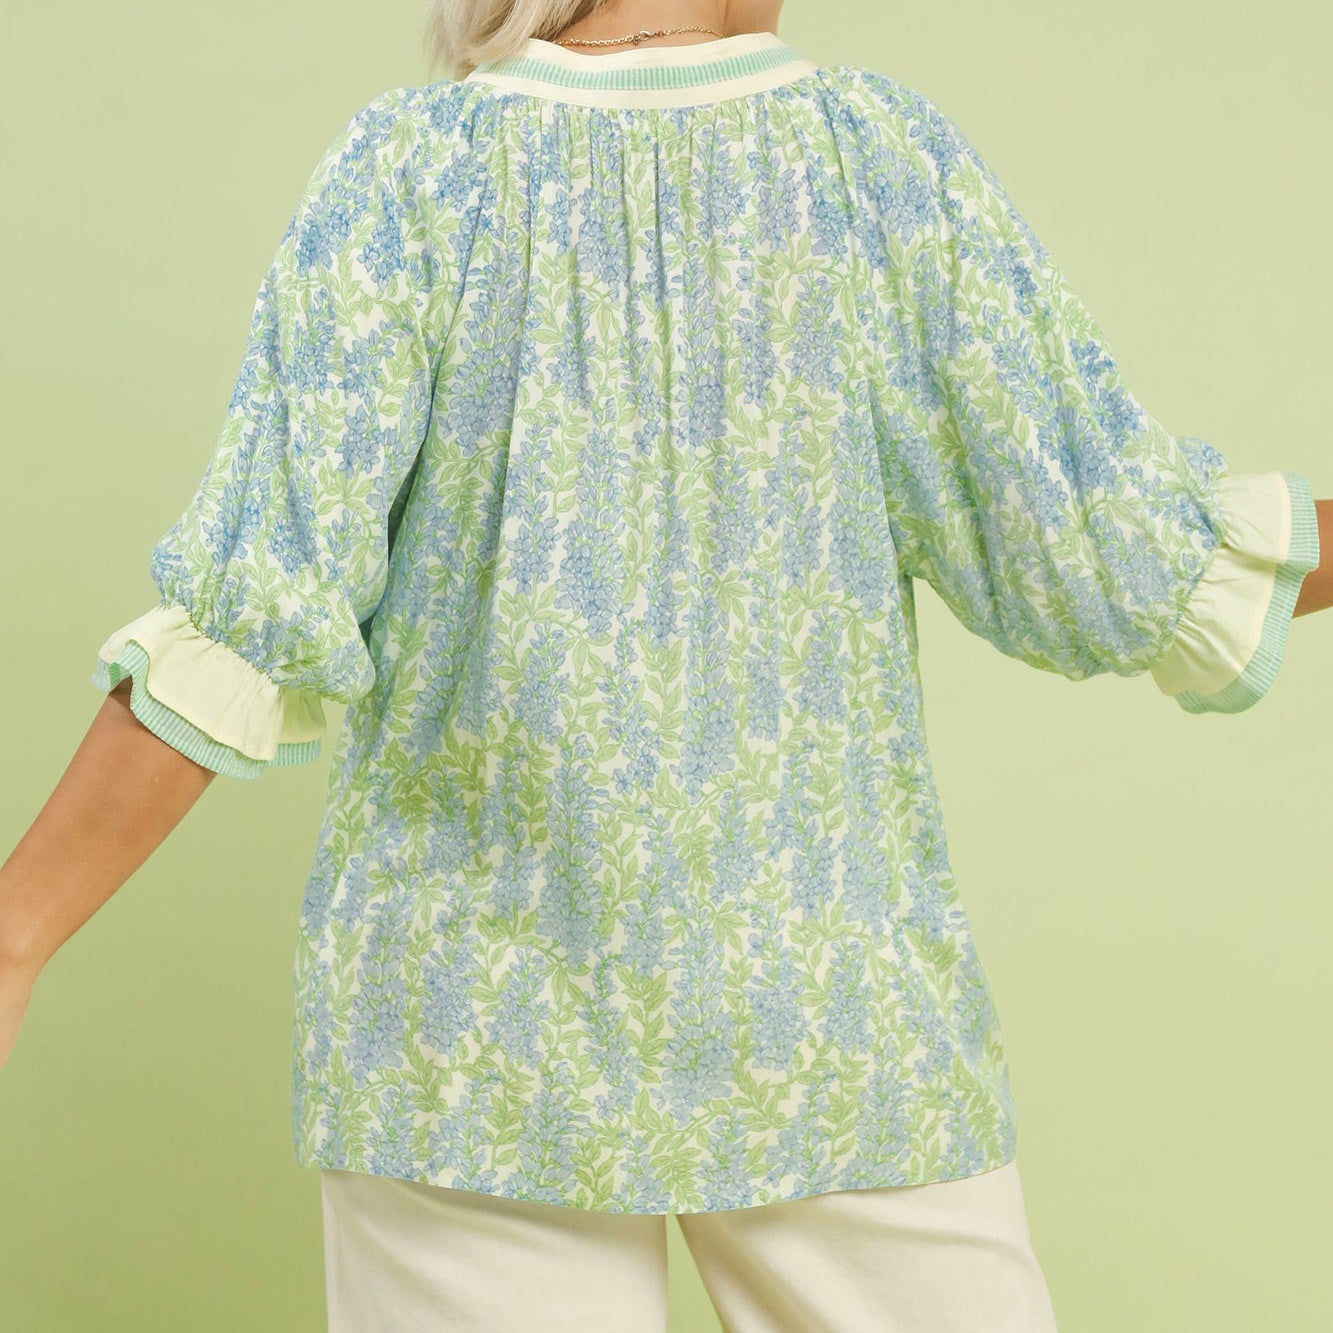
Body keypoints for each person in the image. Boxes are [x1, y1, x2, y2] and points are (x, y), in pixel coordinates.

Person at [2, 1, 1328, 1329]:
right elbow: (1118, 557)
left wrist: (16, 932)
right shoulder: (875, 165)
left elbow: (252, 614)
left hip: (468, 1037)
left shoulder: (410, 175)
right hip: (830, 1015)